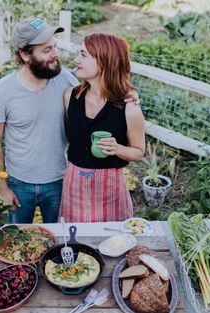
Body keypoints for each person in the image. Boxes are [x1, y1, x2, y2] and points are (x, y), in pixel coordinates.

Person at [0, 17, 78, 224]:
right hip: (19, 183)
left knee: (60, 242)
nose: (55, 54)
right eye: (46, 50)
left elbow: (96, 103)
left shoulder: (67, 80)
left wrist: (126, 97)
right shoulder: (1, 92)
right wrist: (1, 187)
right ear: (25, 54)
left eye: (54, 47)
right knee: (18, 242)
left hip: (60, 181)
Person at [59, 33, 146, 222]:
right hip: (74, 183)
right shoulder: (69, 97)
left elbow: (139, 152)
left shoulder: (129, 108)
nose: (76, 59)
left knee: (111, 243)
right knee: (74, 242)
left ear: (104, 61)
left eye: (83, 55)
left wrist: (118, 149)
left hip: (110, 188)